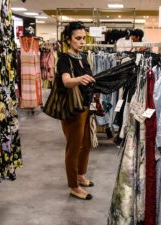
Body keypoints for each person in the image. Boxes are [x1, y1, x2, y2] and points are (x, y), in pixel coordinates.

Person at [56, 21, 96, 200]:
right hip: (72, 109)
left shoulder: (84, 57)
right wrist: (80, 79)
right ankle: (73, 185)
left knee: (86, 144)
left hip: (85, 106)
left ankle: (80, 175)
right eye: (78, 38)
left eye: (83, 38)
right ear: (68, 39)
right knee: (73, 148)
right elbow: (66, 81)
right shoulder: (65, 58)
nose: (82, 42)